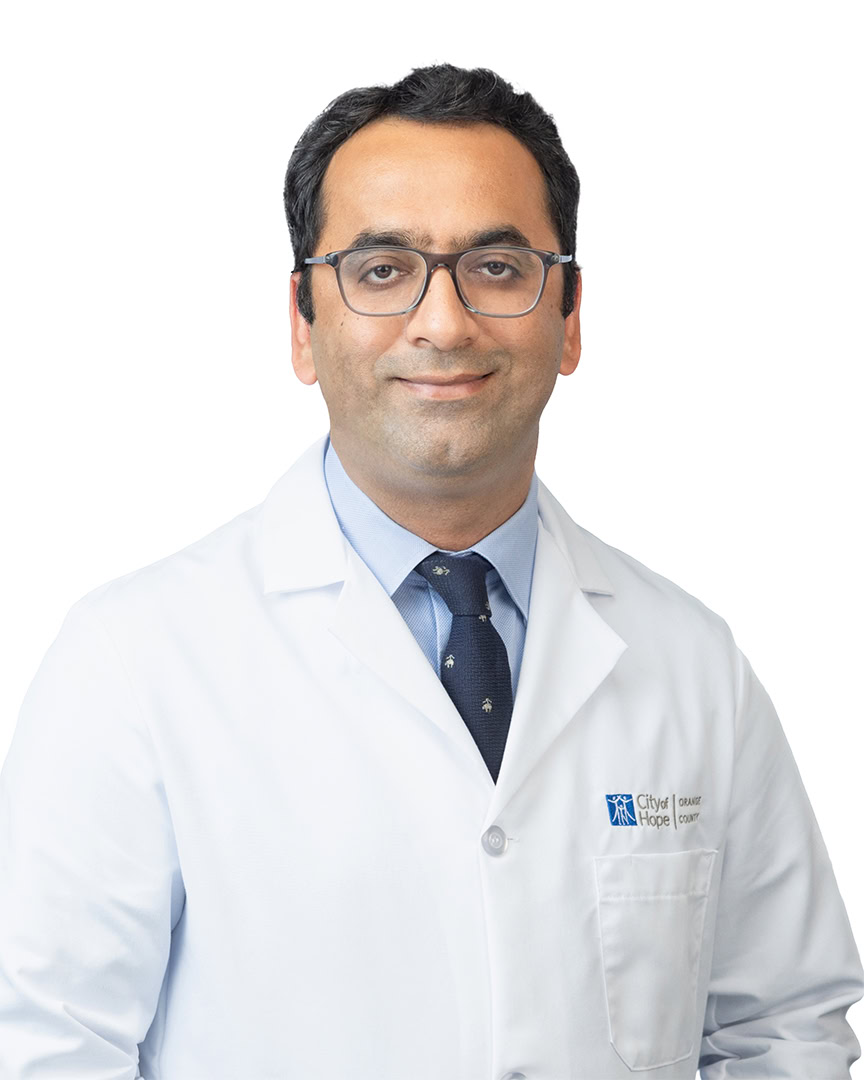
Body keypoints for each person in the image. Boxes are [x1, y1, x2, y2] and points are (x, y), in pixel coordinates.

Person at [0, 61, 861, 1080]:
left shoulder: (691, 663)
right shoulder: (133, 664)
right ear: (302, 324)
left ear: (571, 314)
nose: (443, 324)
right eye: (380, 270)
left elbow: (783, 1030)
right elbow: (46, 1047)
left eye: (497, 268)